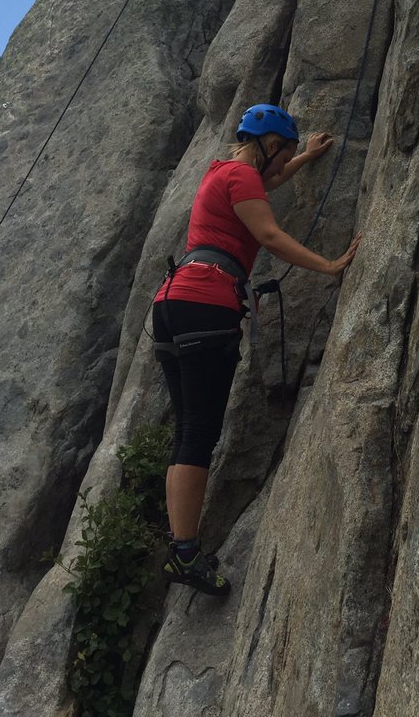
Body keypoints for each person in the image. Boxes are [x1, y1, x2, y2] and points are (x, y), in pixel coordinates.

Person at [153, 103, 361, 596]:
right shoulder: (243, 178)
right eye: (283, 149)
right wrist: (329, 266)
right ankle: (183, 553)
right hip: (207, 307)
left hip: (172, 304)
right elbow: (268, 233)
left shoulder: (222, 173)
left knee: (188, 433)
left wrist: (305, 157)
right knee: (199, 435)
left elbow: (268, 182)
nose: (284, 159)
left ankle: (182, 547)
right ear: (268, 145)